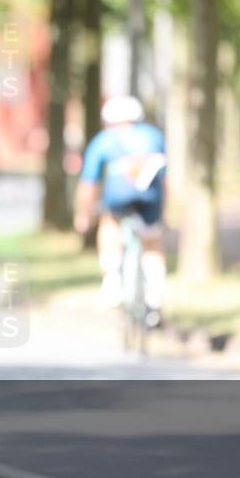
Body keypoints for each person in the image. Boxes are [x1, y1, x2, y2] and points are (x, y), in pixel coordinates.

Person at [73, 96, 166, 315]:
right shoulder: (154, 136)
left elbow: (89, 184)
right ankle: (155, 295)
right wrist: (164, 209)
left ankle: (112, 281)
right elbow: (165, 178)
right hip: (151, 195)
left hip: (118, 194)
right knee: (151, 242)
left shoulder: (105, 139)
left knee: (109, 223)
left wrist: (83, 215)